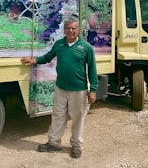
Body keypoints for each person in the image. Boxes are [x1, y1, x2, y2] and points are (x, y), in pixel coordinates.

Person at [21, 16, 98, 159]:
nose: (71, 31)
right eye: (68, 28)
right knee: (58, 116)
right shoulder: (59, 44)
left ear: (78, 29)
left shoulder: (86, 47)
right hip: (61, 88)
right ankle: (54, 143)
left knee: (77, 118)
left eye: (73, 28)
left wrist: (92, 90)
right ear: (64, 29)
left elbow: (92, 70)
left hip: (79, 90)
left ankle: (76, 145)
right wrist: (34, 60)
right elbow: (48, 57)